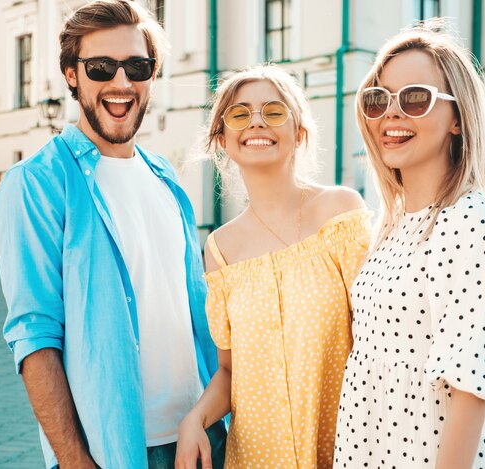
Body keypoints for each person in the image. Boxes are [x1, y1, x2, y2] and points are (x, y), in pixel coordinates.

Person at [0, 1, 225, 468]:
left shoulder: (167, 178)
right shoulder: (35, 183)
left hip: (198, 436)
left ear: (152, 76)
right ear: (71, 74)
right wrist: (77, 462)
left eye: (137, 66)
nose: (121, 83)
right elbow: (34, 338)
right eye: (101, 67)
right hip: (115, 452)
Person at [333, 20, 485, 468]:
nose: (391, 114)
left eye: (415, 98)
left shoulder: (472, 218)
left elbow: (471, 386)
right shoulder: (392, 227)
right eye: (378, 99)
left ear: (458, 118)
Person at [174, 65, 370, 469]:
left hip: (346, 445)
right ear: (223, 140)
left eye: (274, 111)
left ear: (298, 132)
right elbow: (229, 369)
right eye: (240, 114)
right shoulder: (219, 249)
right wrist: (195, 419)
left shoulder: (340, 211)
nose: (257, 122)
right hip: (259, 457)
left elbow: (376, 339)